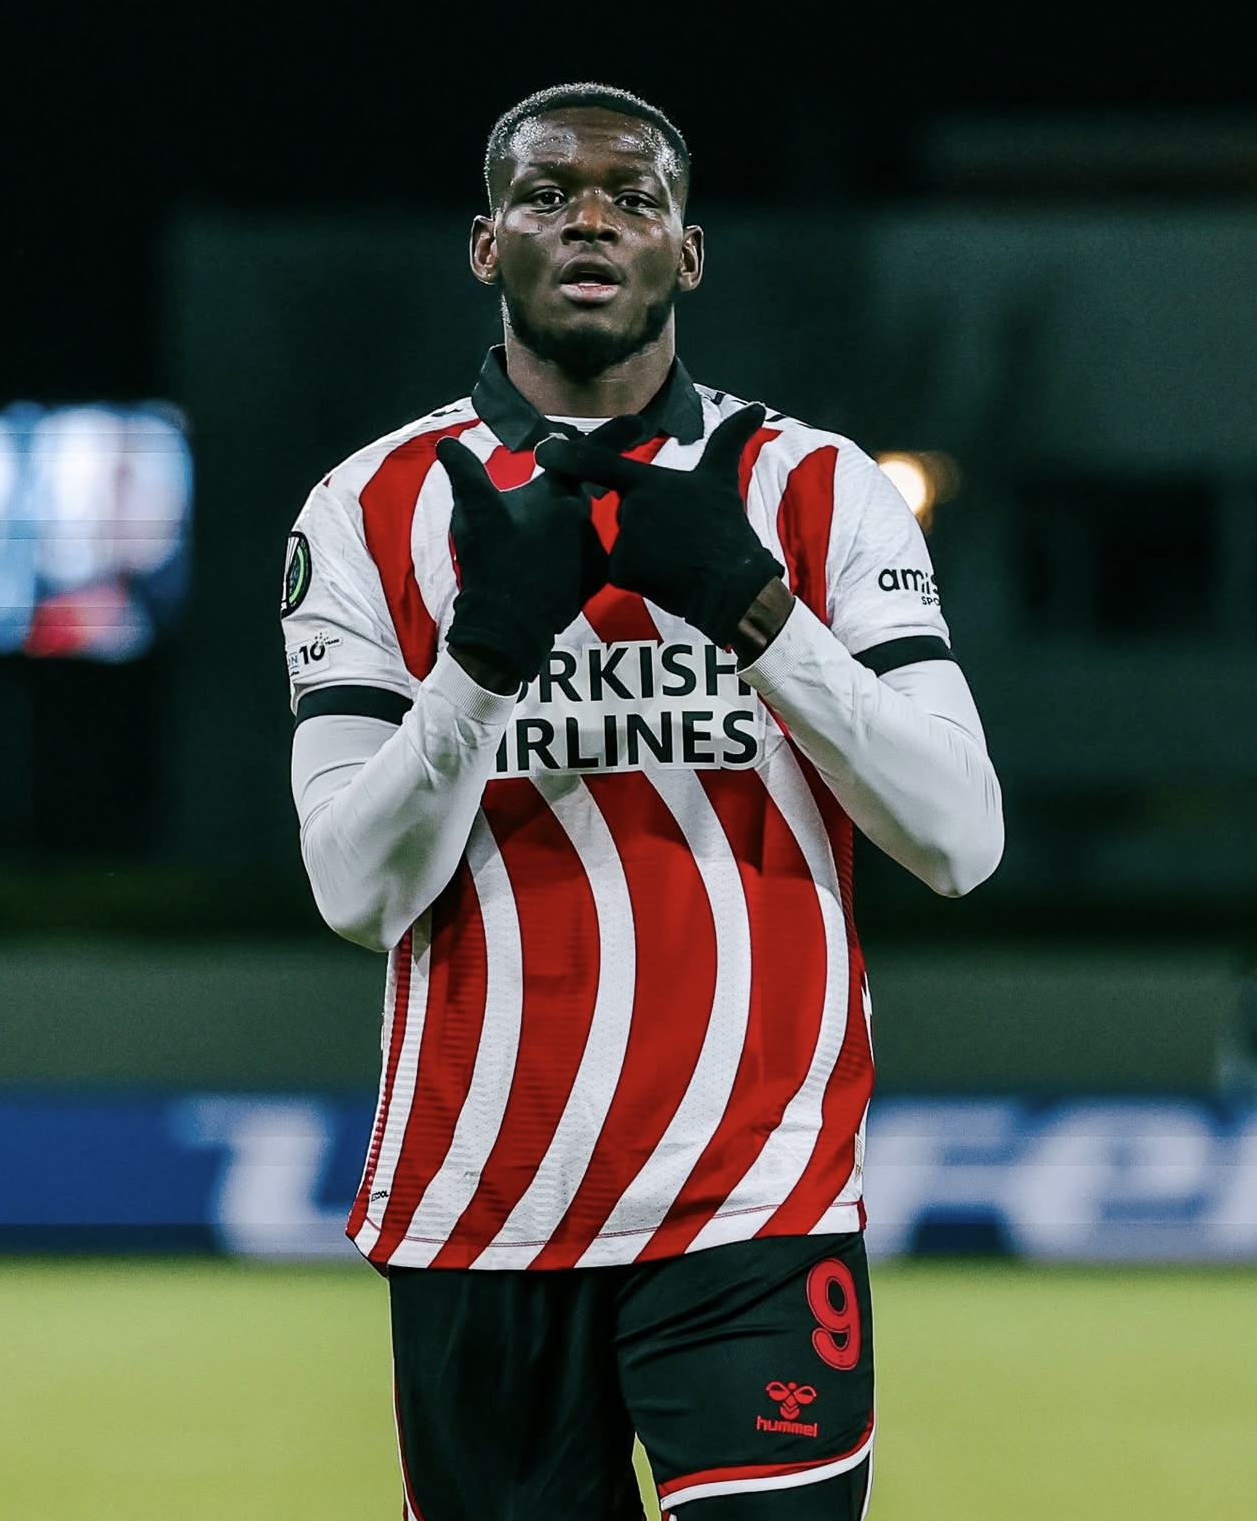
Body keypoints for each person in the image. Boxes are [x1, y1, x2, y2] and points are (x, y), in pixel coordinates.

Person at [280, 82, 1004, 1521]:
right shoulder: (366, 507)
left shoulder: (816, 489)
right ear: (487, 245)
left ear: (690, 250)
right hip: (479, 1206)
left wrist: (753, 607)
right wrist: (485, 657)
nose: (592, 221)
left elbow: (961, 838)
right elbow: (356, 894)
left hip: (757, 1196)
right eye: (548, 196)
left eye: (635, 196)